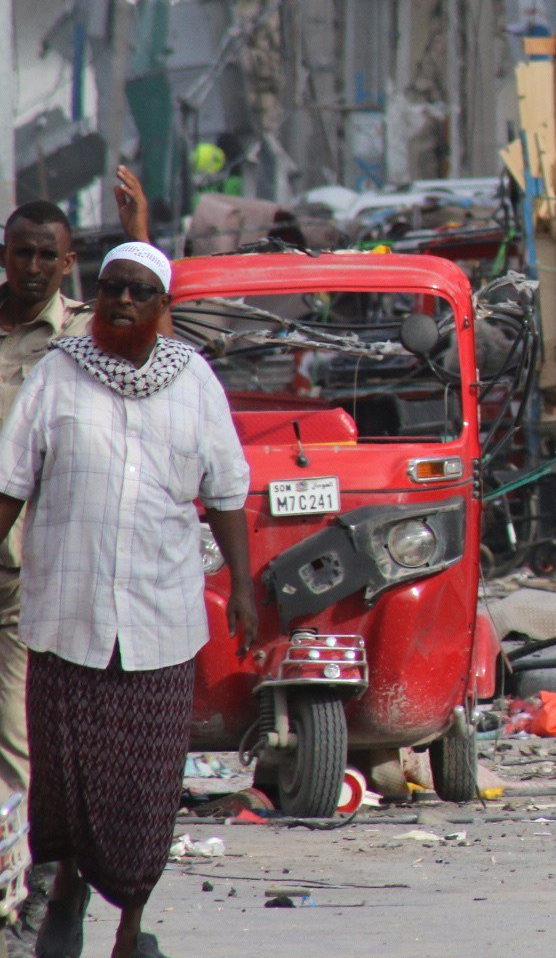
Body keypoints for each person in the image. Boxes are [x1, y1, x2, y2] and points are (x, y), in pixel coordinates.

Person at [0, 242, 253, 958]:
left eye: (140, 292)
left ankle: (131, 930)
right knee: (67, 785)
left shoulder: (196, 382)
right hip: (66, 615)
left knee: (144, 793)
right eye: (112, 288)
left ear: (161, 307)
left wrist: (242, 588)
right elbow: (11, 481)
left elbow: (228, 490)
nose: (122, 302)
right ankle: (66, 896)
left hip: (160, 623)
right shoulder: (58, 376)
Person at [0, 170, 150, 948]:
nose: (29, 267)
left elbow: (152, 338)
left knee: (22, 745)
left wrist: (142, 234)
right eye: (18, 251)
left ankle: (34, 896)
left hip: (37, 578)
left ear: (66, 264)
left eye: (44, 256)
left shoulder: (83, 338)